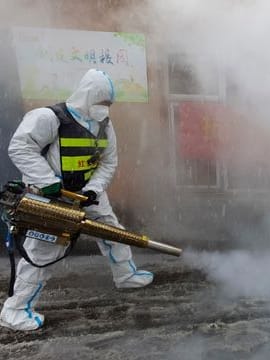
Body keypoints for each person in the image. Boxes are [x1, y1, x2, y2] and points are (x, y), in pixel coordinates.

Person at [0, 69, 154, 331]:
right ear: (85, 96)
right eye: (100, 102)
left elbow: (108, 161)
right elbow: (20, 147)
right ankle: (15, 310)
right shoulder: (50, 118)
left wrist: (94, 189)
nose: (104, 108)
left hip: (87, 195)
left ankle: (125, 275)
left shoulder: (105, 125)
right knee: (43, 253)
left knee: (112, 231)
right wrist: (48, 182)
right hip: (52, 198)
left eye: (108, 104)